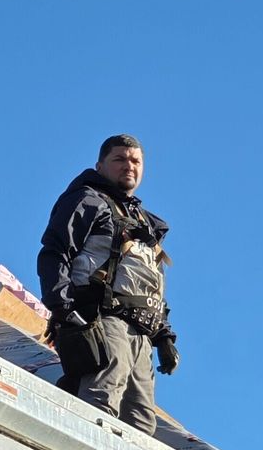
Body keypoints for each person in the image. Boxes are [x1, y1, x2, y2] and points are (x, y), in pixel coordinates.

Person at [36, 134, 180, 433]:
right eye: (119, 159)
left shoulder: (144, 223)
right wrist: (62, 306)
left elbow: (147, 281)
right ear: (100, 165)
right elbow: (55, 251)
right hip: (103, 319)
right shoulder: (87, 200)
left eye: (135, 161)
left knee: (141, 423)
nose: (129, 166)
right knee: (100, 402)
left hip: (141, 333)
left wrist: (164, 336)